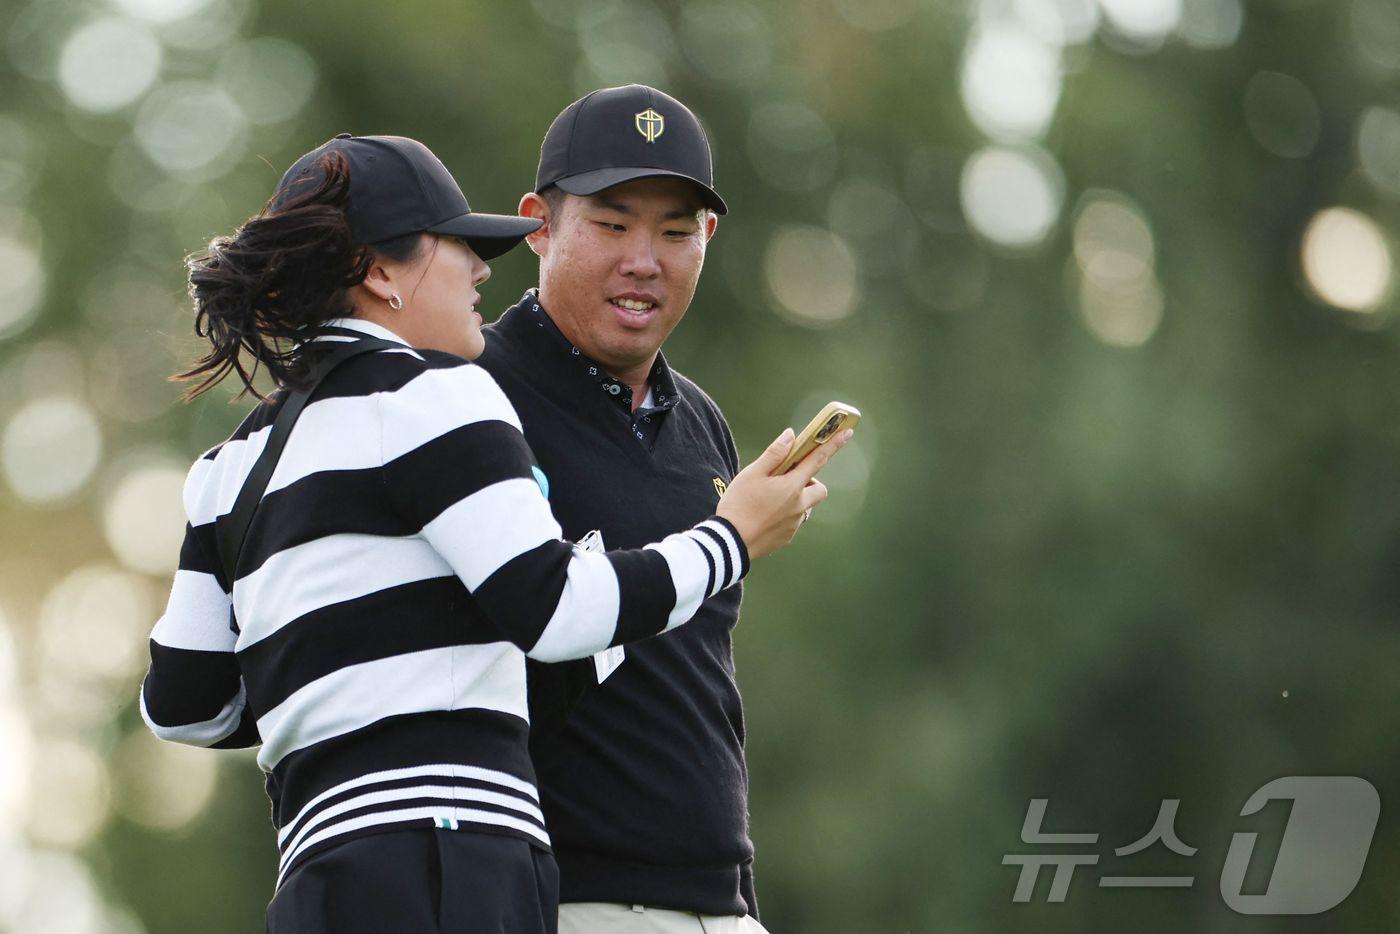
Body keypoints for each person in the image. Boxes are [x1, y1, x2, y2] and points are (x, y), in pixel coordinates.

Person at [138, 133, 848, 933]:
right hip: (458, 863)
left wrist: (350, 683)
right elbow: (557, 613)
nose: (482, 271)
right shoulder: (439, 395)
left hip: (318, 880)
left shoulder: (230, 462)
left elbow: (184, 705)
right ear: (380, 274)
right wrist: (732, 539)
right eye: (459, 248)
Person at [477, 85, 821, 933]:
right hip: (563, 893)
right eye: (612, 223)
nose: (645, 259)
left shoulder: (699, 420)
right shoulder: (473, 393)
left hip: (719, 898)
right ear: (538, 225)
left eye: (676, 232)